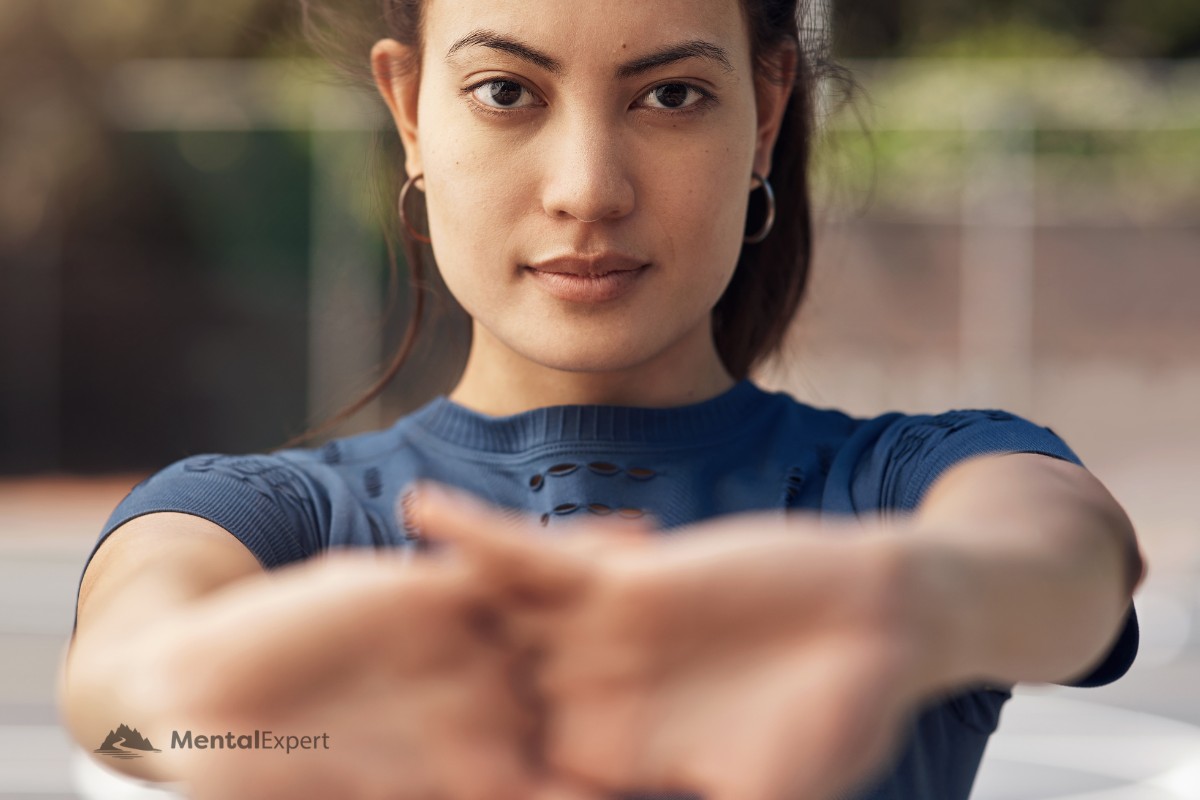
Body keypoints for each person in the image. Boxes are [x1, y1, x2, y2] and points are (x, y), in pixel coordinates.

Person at [58, 0, 1145, 798]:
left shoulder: (911, 483)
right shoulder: (256, 515)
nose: (588, 186)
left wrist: (895, 602)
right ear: (410, 113)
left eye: (671, 95)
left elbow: (1069, 564)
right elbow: (123, 692)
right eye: (506, 92)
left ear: (764, 114)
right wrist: (270, 721)